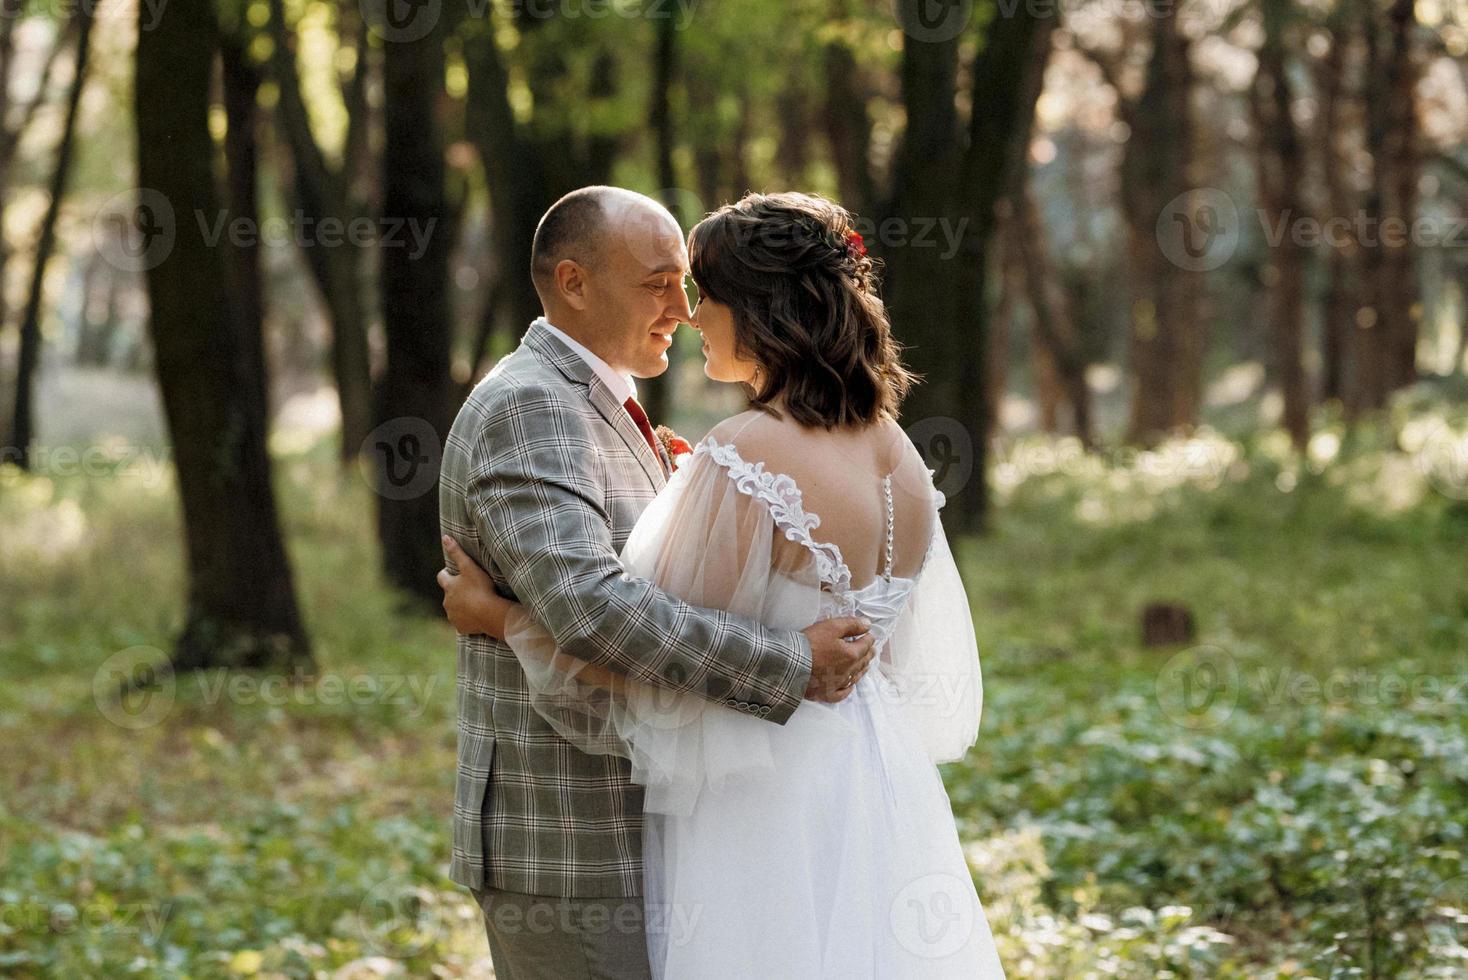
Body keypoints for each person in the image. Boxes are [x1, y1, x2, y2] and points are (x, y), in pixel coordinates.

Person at [440, 190, 1006, 978]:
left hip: (750, 813)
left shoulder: (743, 451)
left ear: (763, 309)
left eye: (699, 289)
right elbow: (593, 605)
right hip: (836, 802)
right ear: (573, 281)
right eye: (660, 283)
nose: (686, 309)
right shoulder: (891, 450)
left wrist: (496, 617)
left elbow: (609, 622)